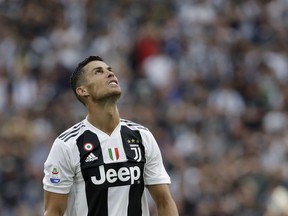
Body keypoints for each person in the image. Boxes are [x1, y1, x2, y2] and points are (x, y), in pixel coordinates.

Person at [43, 56, 179, 216]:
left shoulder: (142, 137)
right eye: (98, 72)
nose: (110, 74)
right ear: (82, 90)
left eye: (110, 70)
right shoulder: (67, 145)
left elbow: (165, 201)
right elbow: (54, 211)